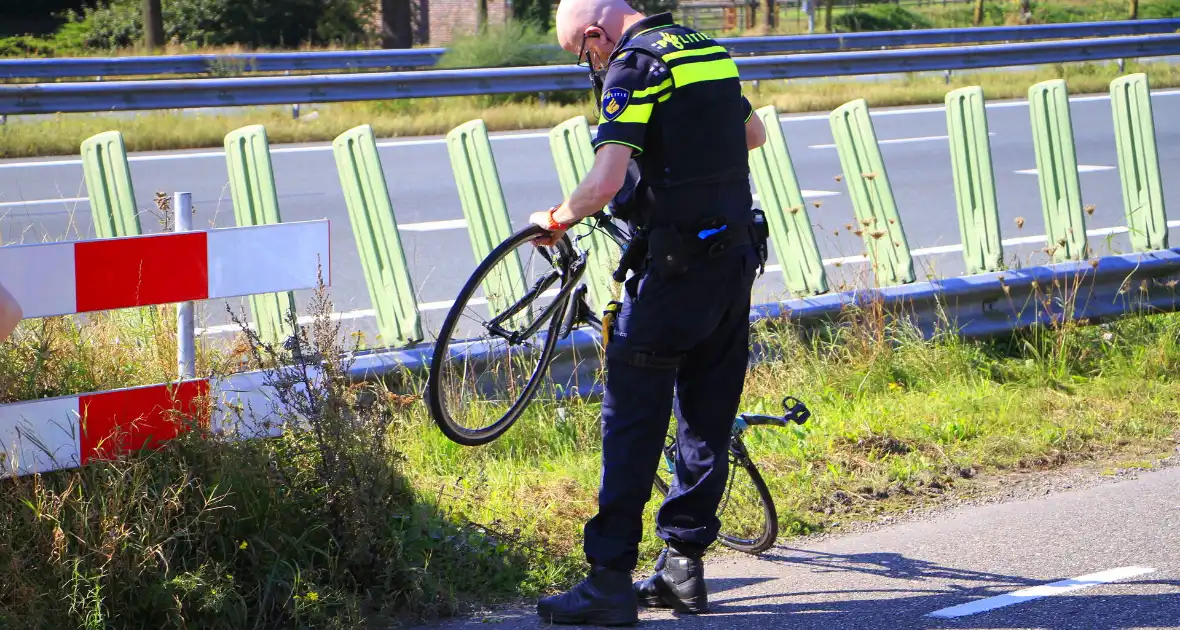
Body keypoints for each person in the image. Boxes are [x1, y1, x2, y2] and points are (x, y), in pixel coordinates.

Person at [528, 0, 769, 625]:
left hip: (670, 274)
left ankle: (609, 581)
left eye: (584, 54)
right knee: (706, 416)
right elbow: (753, 135)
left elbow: (604, 183)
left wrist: (557, 218)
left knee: (632, 422)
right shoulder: (706, 49)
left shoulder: (634, 66)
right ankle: (683, 568)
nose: (591, 63)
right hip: (734, 259)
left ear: (594, 34)